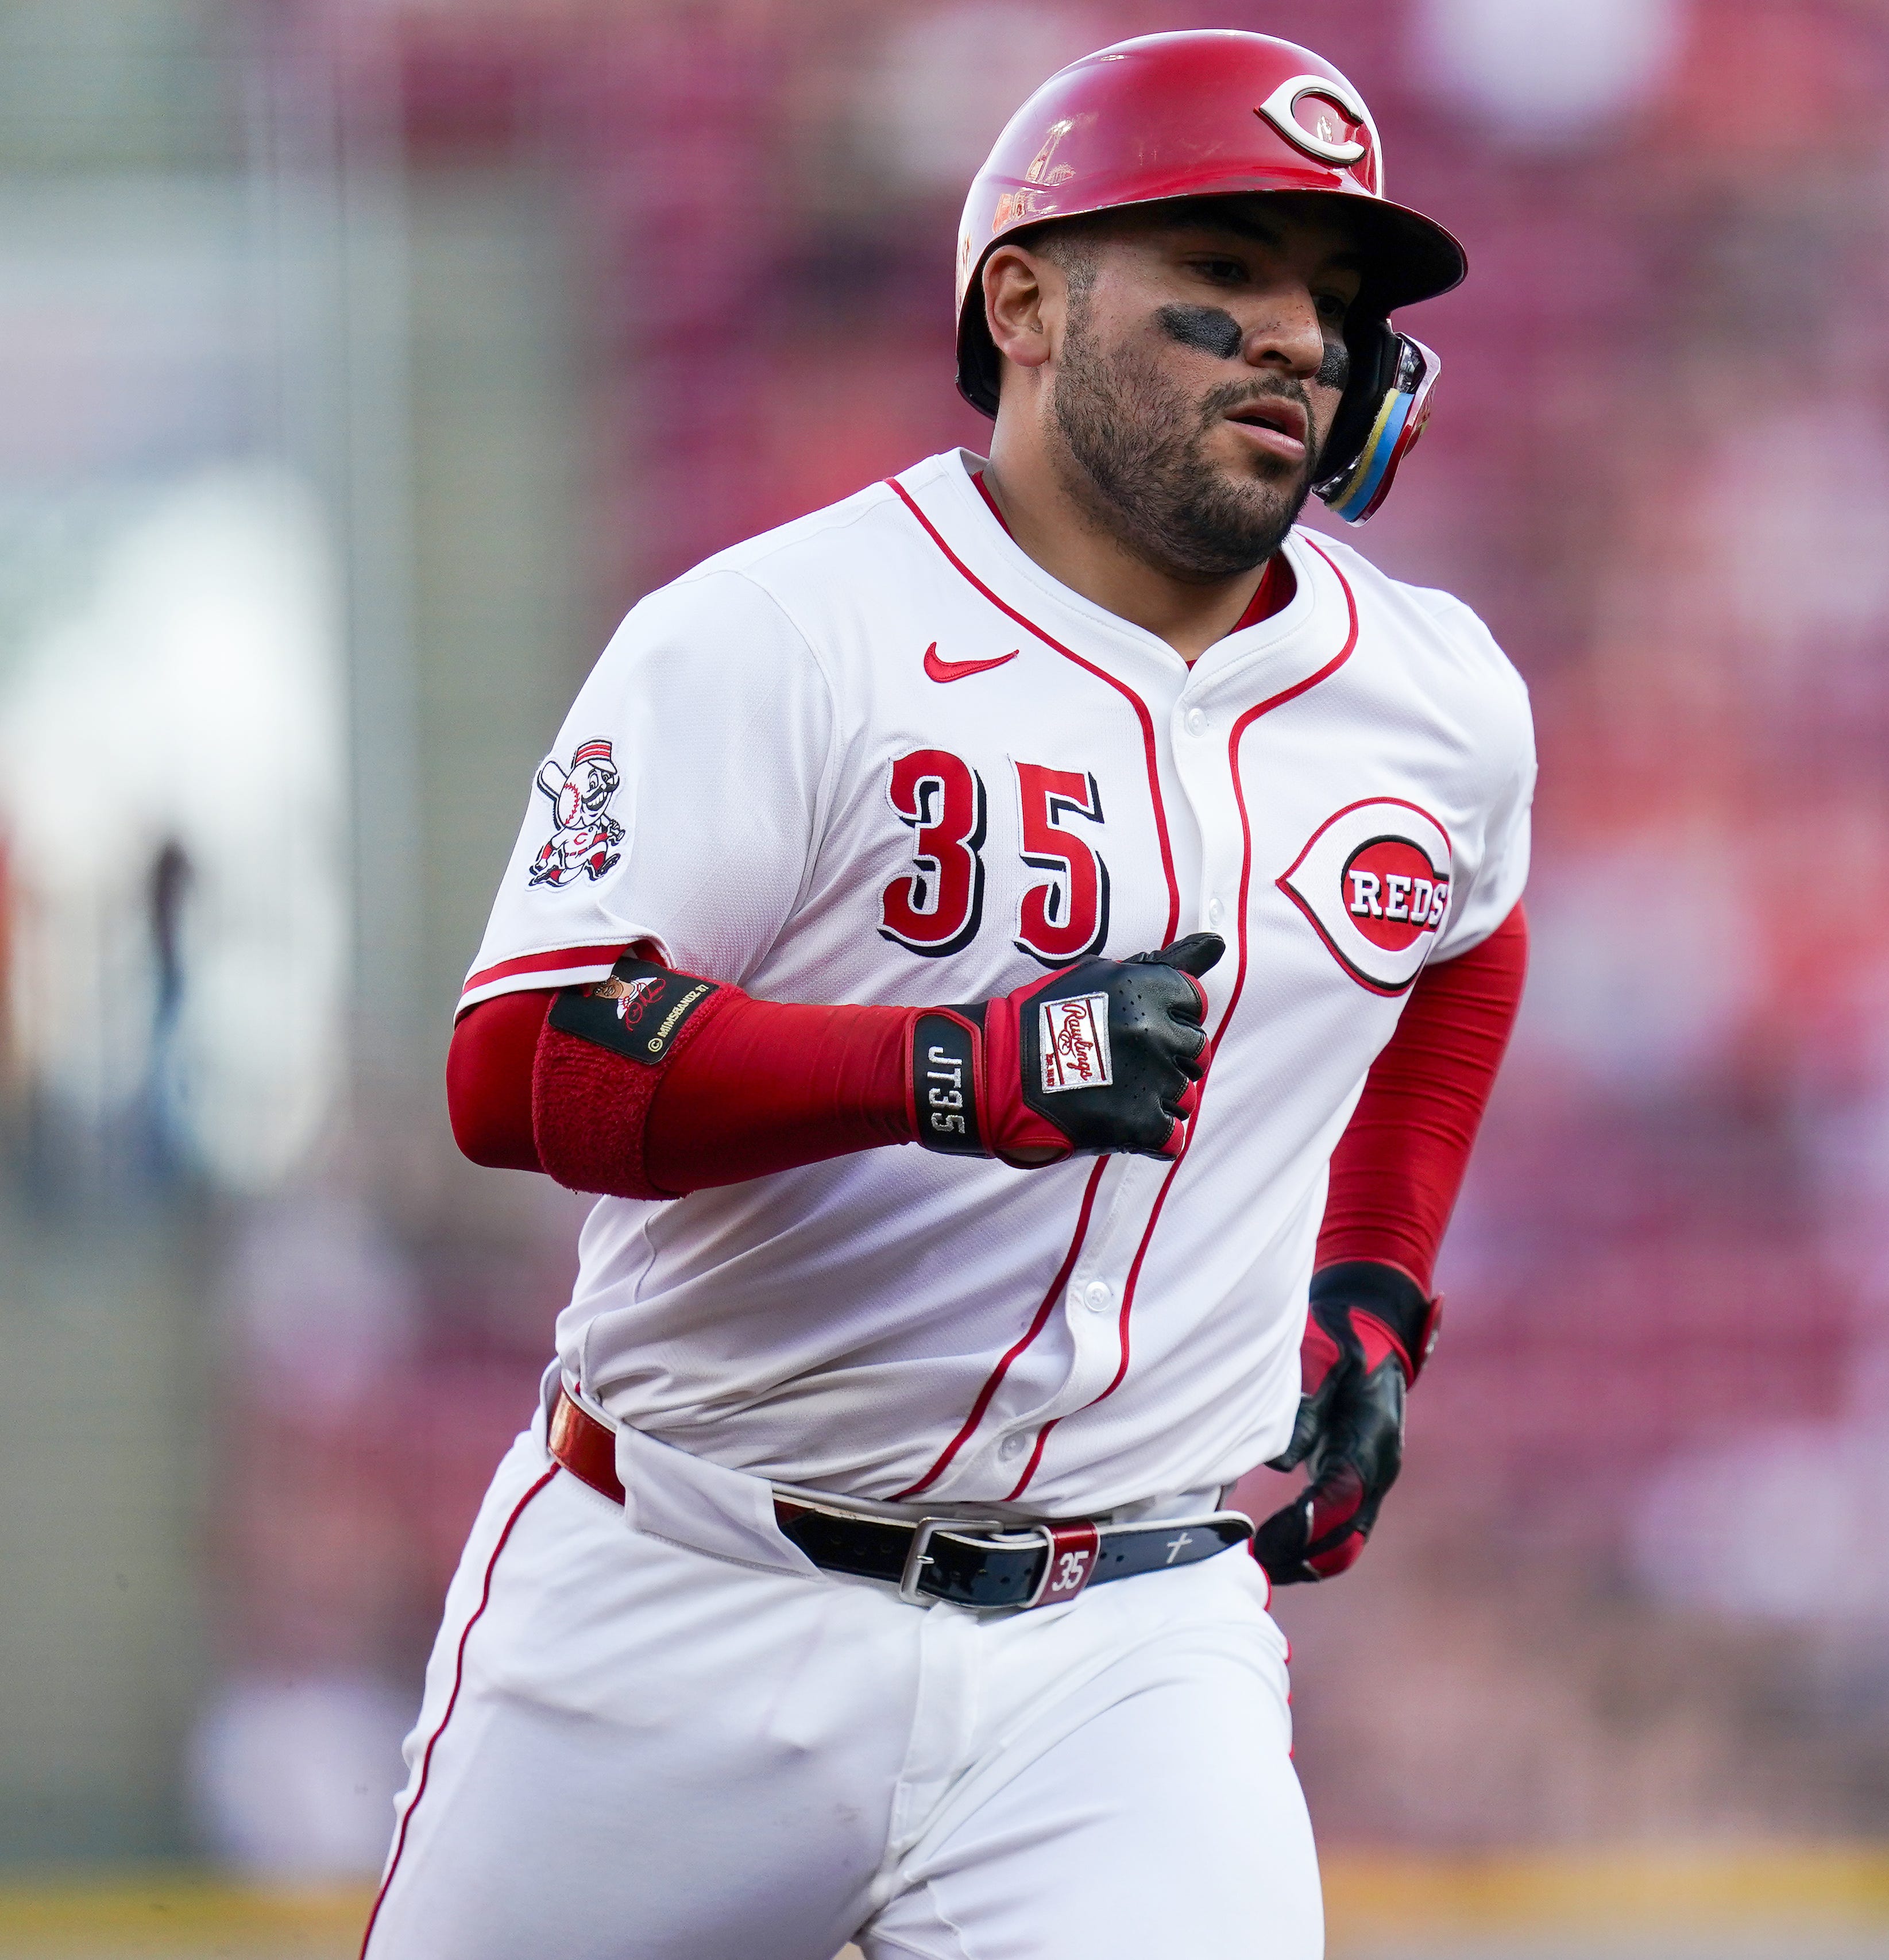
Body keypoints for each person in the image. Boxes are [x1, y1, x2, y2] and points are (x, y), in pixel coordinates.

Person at [366, 32, 1531, 1959]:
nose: (1301, 343)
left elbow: (1462, 951)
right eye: (1224, 278)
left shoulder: (1438, 698)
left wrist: (1378, 1289)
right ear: (1028, 303)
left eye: (1334, 302)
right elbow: (522, 1070)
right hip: (684, 1593)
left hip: (1130, 1641)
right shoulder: (777, 633)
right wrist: (953, 1069)